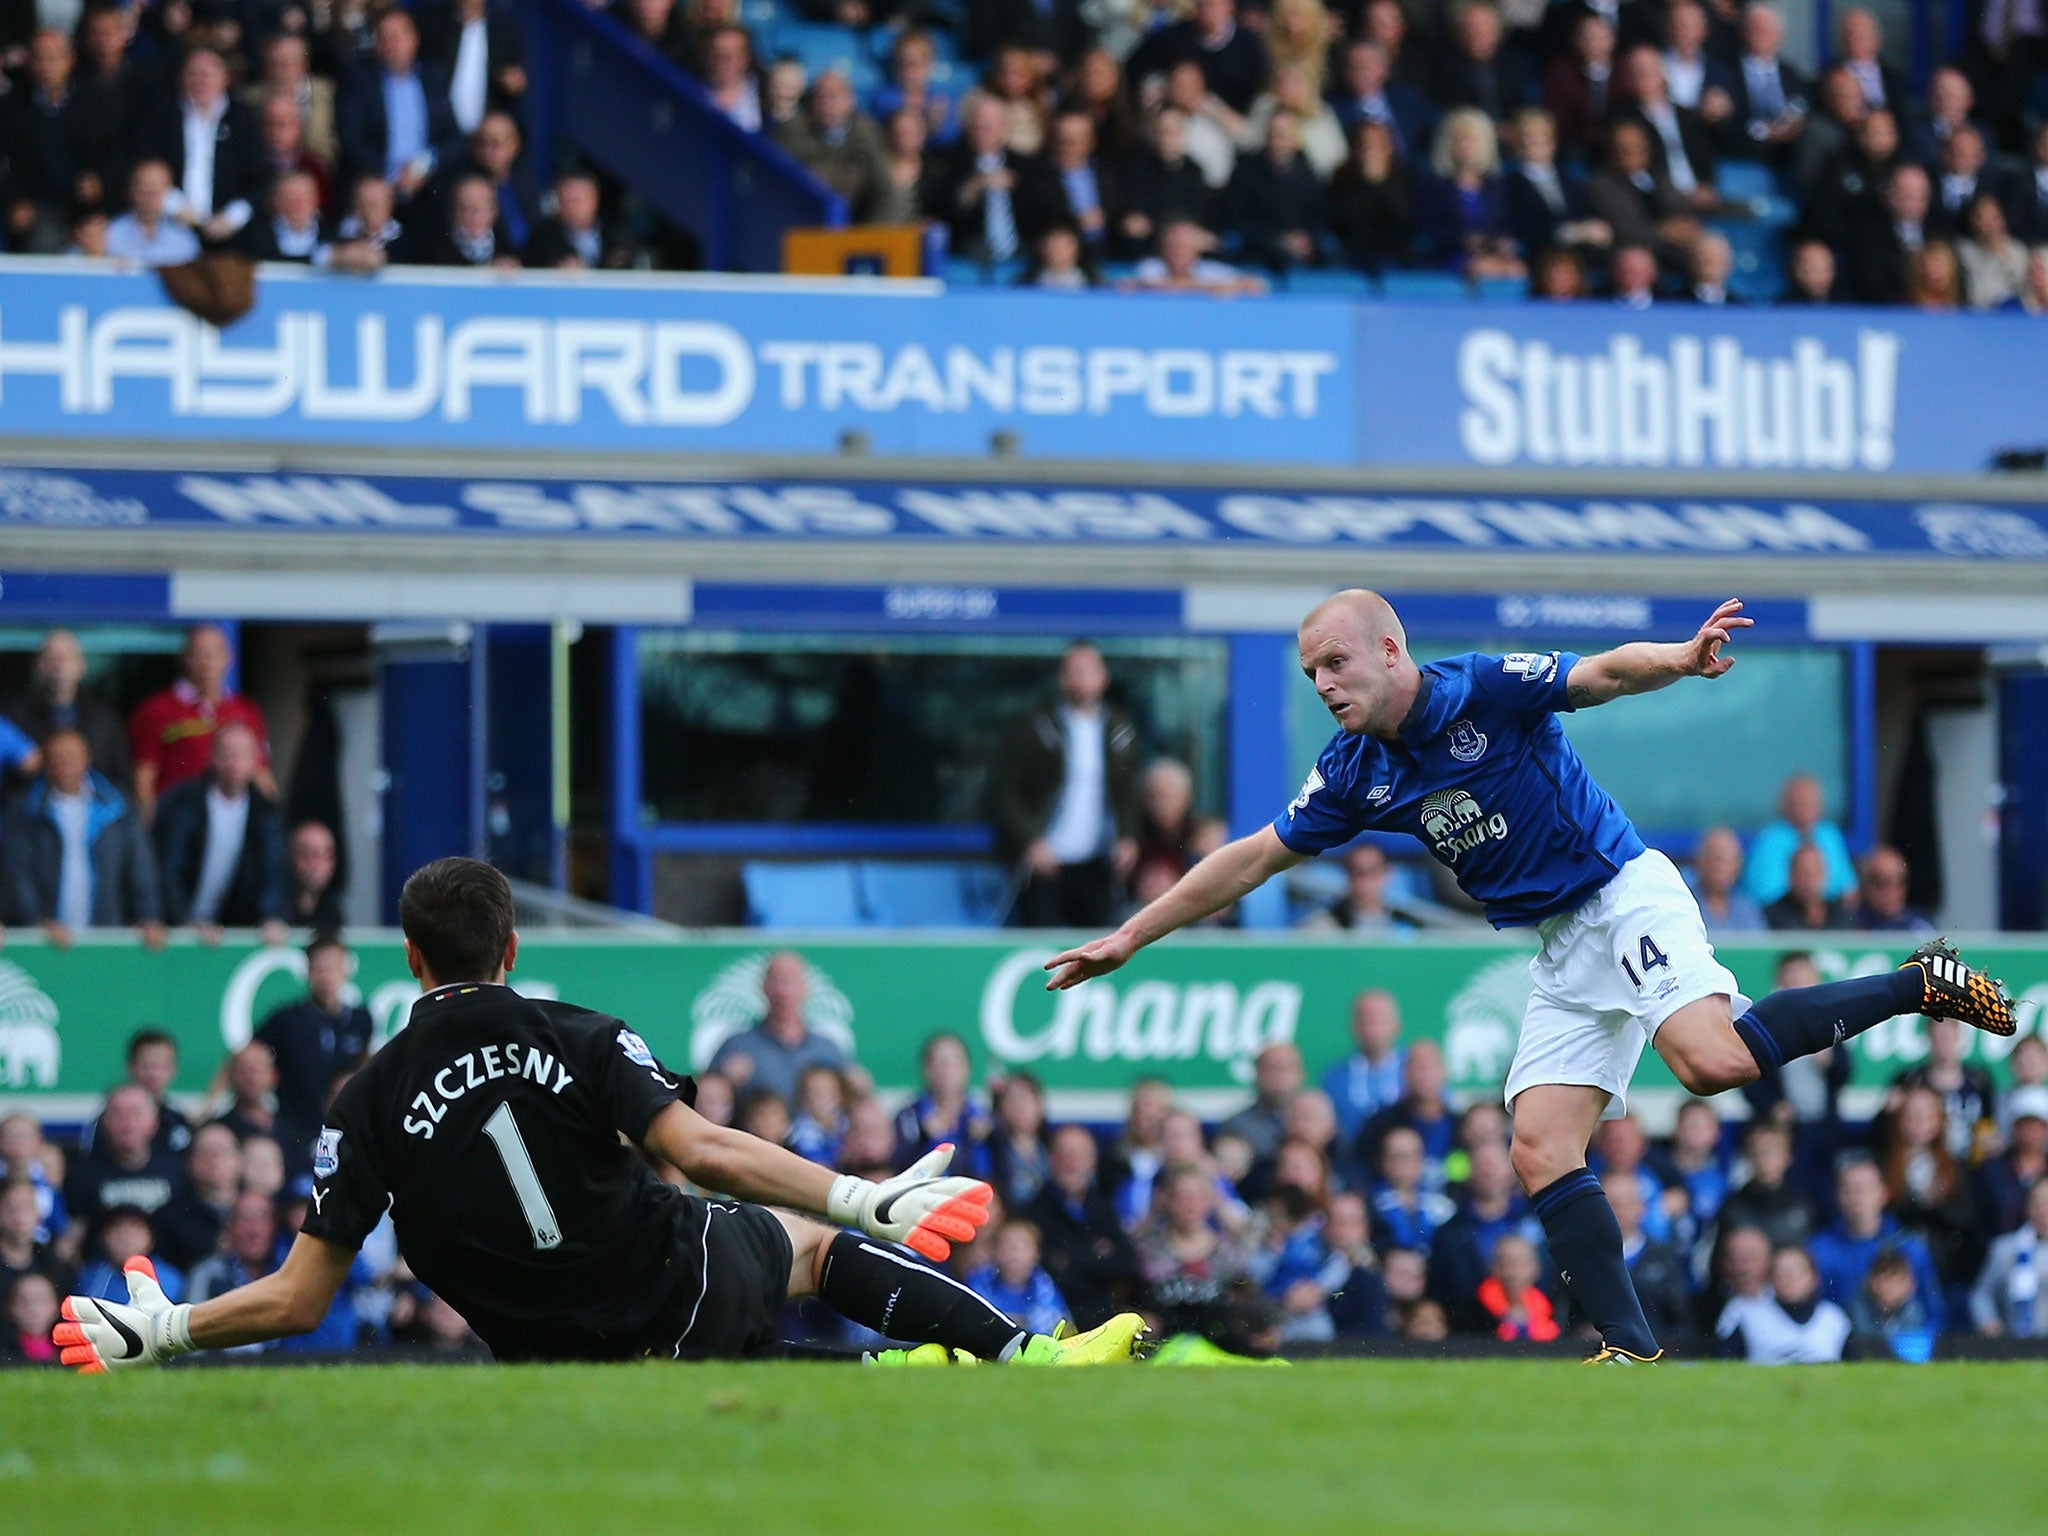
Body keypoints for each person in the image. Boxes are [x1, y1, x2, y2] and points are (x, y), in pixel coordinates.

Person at [1044, 588, 2015, 1363]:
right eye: (1308, 674)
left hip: (1621, 891)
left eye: (1335, 662)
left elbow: (1595, 675)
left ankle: (1914, 983)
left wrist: (1676, 661)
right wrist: (1131, 935)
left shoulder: (1476, 687)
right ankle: (1630, 1352)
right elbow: (1252, 857)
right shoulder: (1352, 772)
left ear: (1390, 651)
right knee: (1539, 1149)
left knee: (1710, 1065)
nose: (1323, 684)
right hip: (1559, 945)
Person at [55, 857, 1144, 1372]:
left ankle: (910, 1376)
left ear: (412, 959)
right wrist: (862, 1195)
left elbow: (299, 1298)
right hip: (671, 1276)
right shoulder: (571, 1032)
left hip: (556, 1357)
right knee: (808, 1254)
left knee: (748, 1383)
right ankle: (1023, 1363)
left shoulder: (365, 1097)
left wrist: (165, 1328)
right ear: (511, 951)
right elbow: (701, 1149)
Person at [990, 641, 1141, 928]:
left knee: (1099, 947)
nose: (1080, 678)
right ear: (1061, 678)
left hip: (1098, 861)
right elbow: (1004, 791)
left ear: (1104, 677)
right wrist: (1030, 840)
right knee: (1041, 945)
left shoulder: (1120, 728)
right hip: (1045, 861)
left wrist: (1128, 835)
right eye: (1073, 671)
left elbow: (1127, 791)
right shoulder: (1035, 726)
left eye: (1087, 670)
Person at [1, 729, 162, 946]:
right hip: (46, 939)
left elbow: (140, 866)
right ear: (46, 764)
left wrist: (148, 916)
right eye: (56, 757)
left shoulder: (116, 806)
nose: (64, 763)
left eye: (71, 756)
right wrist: (36, 921)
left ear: (87, 759)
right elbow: (17, 871)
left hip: (104, 936)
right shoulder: (26, 809)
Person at [153, 722, 289, 940]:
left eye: (242, 755)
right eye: (227, 754)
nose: (234, 762)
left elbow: (272, 870)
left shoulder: (265, 813)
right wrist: (185, 922)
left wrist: (270, 917)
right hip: (175, 931)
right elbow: (168, 870)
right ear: (212, 757)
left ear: (255, 761)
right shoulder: (182, 804)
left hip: (229, 932)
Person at [254, 934, 375, 1177]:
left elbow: (366, 1063)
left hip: (345, 1125)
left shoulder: (361, 1019)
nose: (327, 974)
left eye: (333, 967)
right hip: (295, 1125)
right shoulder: (286, 1018)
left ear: (346, 970)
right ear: (308, 971)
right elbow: (247, 1056)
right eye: (320, 968)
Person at [127, 625, 271, 822]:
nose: (207, 663)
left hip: (234, 820)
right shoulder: (156, 709)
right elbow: (144, 774)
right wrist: (147, 822)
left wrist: (272, 815)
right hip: (176, 820)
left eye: (214, 654)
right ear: (185, 658)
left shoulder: (246, 710)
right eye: (199, 654)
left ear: (229, 658)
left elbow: (259, 771)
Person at [1025, 1124, 1142, 1328]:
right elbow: (1049, 1273)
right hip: (1053, 1325)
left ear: (1092, 1161)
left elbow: (1126, 1263)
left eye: (1080, 1155)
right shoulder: (1033, 1211)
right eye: (1064, 1154)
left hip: (1105, 1322)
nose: (1072, 1163)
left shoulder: (1103, 1207)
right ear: (1051, 1159)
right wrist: (1097, 1256)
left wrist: (1070, 1259)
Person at [1807, 1157, 1944, 1331]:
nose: (1857, 1197)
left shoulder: (1910, 1247)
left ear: (1883, 1193)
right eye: (1849, 1189)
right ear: (1837, 1195)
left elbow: (1933, 1310)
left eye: (1865, 1189)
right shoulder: (1818, 1250)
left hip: (1903, 1345)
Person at [706, 951, 853, 1107]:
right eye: (776, 980)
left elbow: (851, 1105)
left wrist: (857, 1087)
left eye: (791, 981)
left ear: (806, 987)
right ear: (762, 987)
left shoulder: (826, 1049)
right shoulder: (737, 1046)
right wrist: (725, 1083)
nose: (783, 991)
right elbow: (701, 1102)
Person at [7, 630, 130, 787]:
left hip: (99, 809)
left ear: (82, 665)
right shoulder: (14, 718)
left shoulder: (105, 720)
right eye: (51, 658)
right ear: (38, 665)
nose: (58, 665)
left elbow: (120, 775)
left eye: (66, 657)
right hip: (30, 809)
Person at [63, 1086, 189, 1235]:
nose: (128, 1124)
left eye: (136, 1114)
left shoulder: (178, 1171)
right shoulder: (80, 1176)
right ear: (104, 1122)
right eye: (118, 1115)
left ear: (155, 1122)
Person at [1717, 1244, 1848, 1363]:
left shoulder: (1834, 1318)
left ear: (1814, 1279)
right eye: (1781, 1272)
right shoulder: (1746, 1315)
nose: (1788, 1279)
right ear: (1770, 1279)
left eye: (1796, 1272)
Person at [1744, 774, 1857, 909]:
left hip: (1829, 918)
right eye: (1797, 803)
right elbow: (1764, 894)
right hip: (1785, 919)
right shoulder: (1770, 840)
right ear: (1784, 806)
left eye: (1809, 802)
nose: (1803, 809)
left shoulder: (1830, 835)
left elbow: (1849, 888)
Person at [892, 1032, 993, 1178]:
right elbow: (896, 1166)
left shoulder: (983, 1115)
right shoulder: (910, 1117)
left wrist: (985, 1139)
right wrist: (924, 1137)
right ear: (926, 1069)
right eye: (940, 1062)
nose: (947, 1070)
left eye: (955, 1062)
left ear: (967, 1069)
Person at [1320, 988, 1406, 1146]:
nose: (1372, 1027)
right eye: (1365, 1019)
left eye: (1379, 1019)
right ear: (1353, 1026)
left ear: (1397, 1025)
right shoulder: (1334, 1077)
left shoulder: (1415, 1070)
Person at [1717, 1119, 1819, 1251]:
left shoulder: (1804, 1206)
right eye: (1758, 1150)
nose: (1766, 1157)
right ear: (1748, 1156)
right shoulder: (1732, 1208)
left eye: (1772, 1150)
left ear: (1788, 1157)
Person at [1971, 1178, 2048, 1337]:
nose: (2043, 1211)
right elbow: (1982, 1295)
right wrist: (1989, 1322)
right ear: (2028, 1208)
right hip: (2015, 1343)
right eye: (2037, 1204)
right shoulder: (2005, 1249)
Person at [967, 1219, 1069, 1337]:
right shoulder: (979, 1281)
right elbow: (971, 1319)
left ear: (1036, 1253)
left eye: (1022, 1246)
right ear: (995, 1251)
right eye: (1006, 1245)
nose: (1013, 1252)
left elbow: (1060, 1326)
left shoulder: (1046, 1288)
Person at [1217, 1042, 1304, 1166]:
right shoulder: (1237, 1127)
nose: (1279, 1075)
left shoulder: (1323, 1121)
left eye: (1286, 1067)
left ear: (1301, 1073)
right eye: (1271, 1068)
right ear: (1256, 1074)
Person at [105, 159, 203, 268]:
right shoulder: (108, 236)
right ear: (130, 190)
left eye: (159, 187)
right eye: (145, 187)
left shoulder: (186, 241)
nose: (151, 195)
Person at [1689, 826, 1765, 932]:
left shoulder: (1747, 909)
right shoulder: (1684, 903)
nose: (1721, 868)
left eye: (1730, 860)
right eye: (1716, 859)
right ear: (1700, 861)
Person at [1763, 844, 1851, 931]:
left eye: (1813, 872)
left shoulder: (1841, 915)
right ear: (1790, 875)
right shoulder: (1771, 917)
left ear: (1825, 873)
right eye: (1802, 873)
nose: (1808, 879)